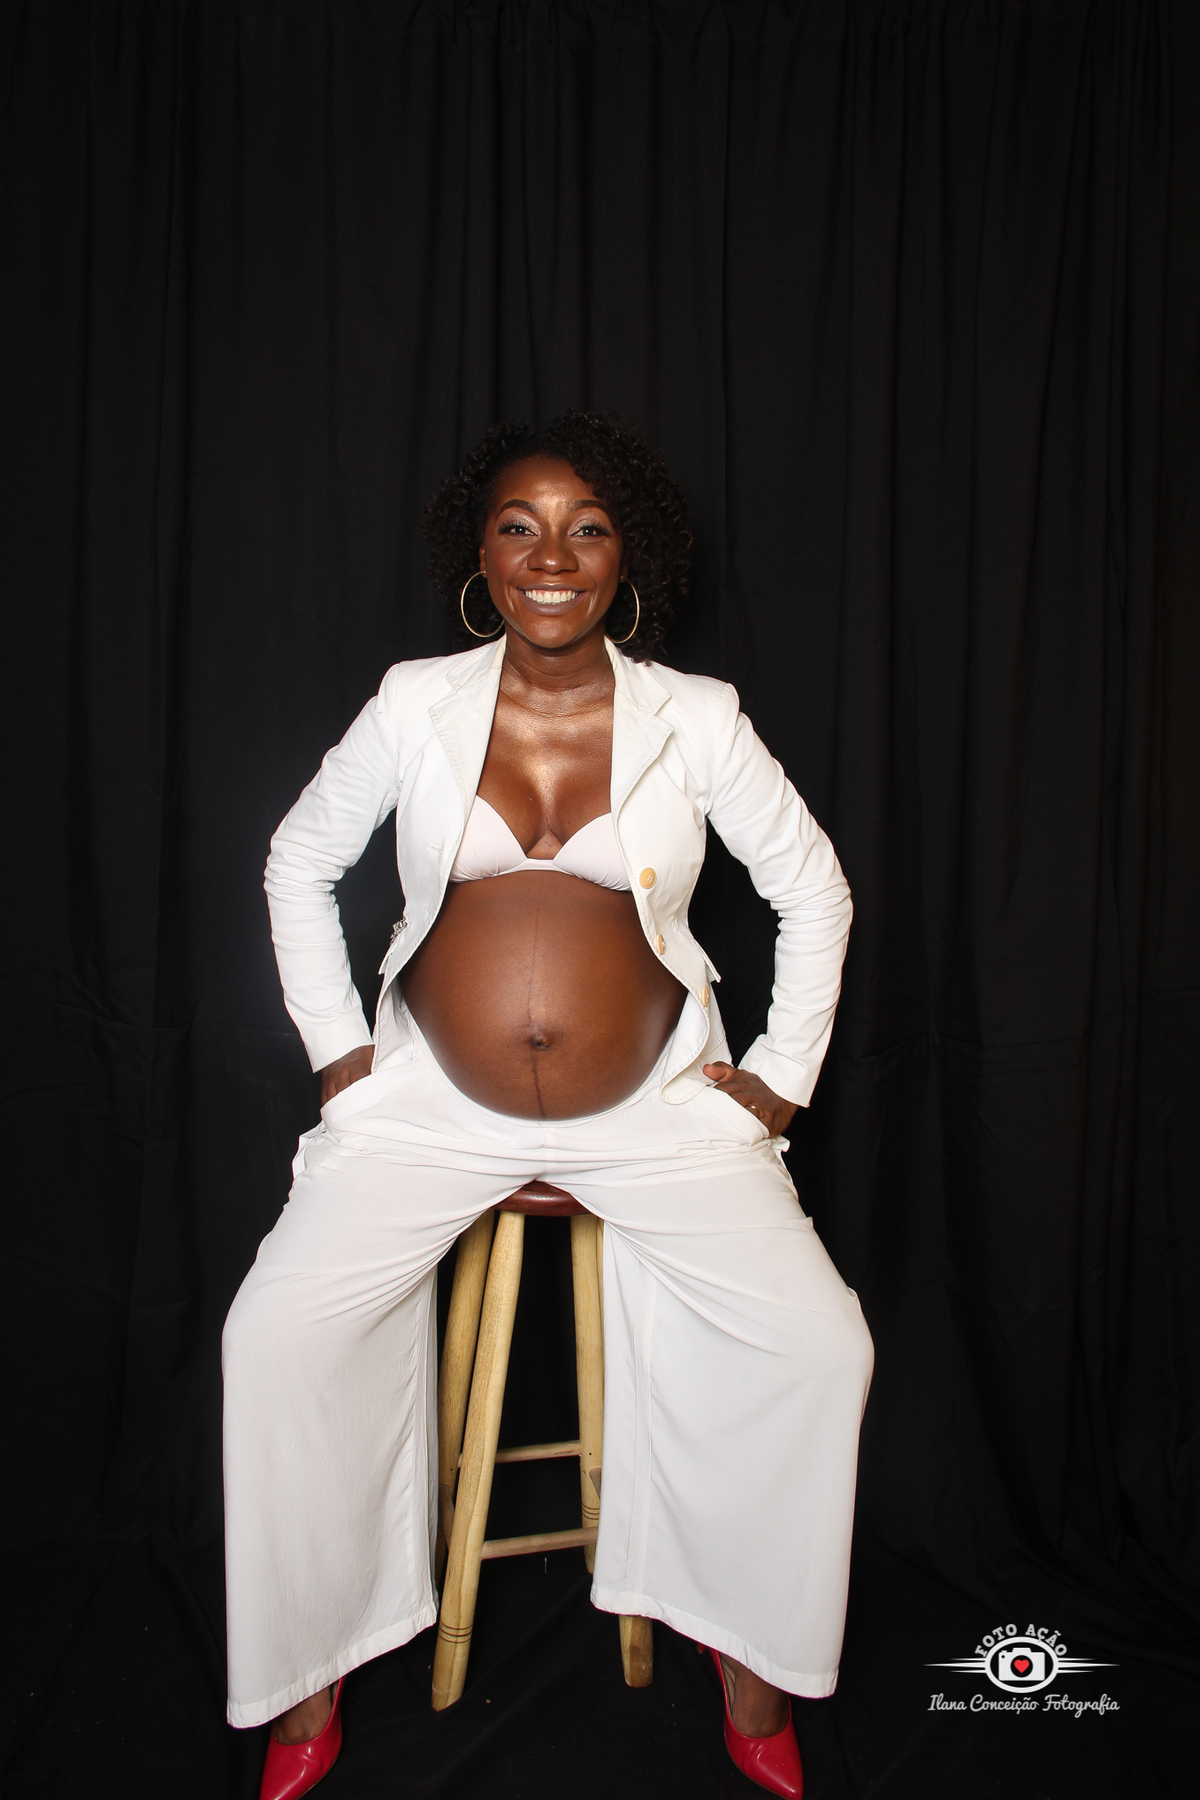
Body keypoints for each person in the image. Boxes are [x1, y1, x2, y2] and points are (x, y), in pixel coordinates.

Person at [222, 411, 874, 1800]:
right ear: (481, 551)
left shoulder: (698, 717)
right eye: (519, 526)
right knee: (271, 1339)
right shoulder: (416, 702)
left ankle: (748, 1651)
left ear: (629, 555)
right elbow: (299, 861)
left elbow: (813, 891)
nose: (552, 557)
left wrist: (777, 1080)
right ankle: (307, 1671)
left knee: (820, 1348)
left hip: (655, 1109)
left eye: (587, 528)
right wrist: (341, 1053)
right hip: (428, 1106)